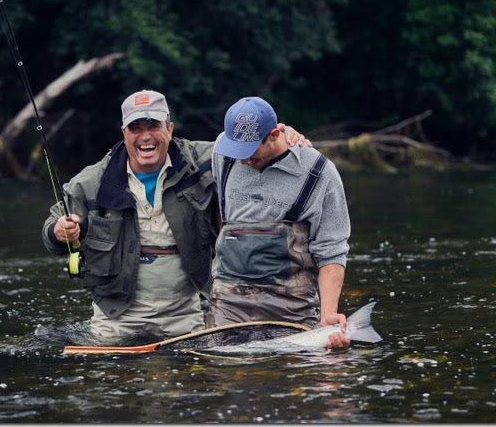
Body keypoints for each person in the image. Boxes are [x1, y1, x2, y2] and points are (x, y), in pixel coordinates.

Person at [41, 90, 307, 340]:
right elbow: (51, 232)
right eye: (136, 128)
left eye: (153, 126)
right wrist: (58, 231)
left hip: (185, 317)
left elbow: (249, 147)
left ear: (169, 129)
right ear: (124, 134)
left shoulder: (205, 161)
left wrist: (283, 136)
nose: (145, 136)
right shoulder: (91, 182)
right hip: (114, 318)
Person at [206, 96, 352, 348]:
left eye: (250, 151)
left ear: (274, 134)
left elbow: (331, 252)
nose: (242, 159)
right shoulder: (223, 151)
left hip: (291, 304)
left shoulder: (320, 172)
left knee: (290, 380)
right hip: (229, 299)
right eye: (236, 150)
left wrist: (328, 315)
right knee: (226, 374)